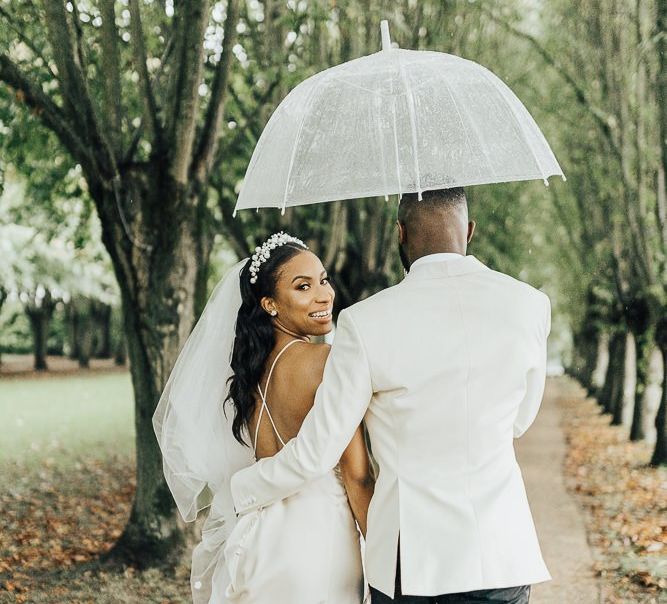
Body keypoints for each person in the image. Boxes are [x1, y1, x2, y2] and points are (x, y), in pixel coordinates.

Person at [231, 188, 552, 604]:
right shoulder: (529, 305)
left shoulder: (365, 322)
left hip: (411, 560)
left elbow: (316, 452)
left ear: (399, 233)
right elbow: (519, 421)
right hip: (499, 551)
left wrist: (240, 490)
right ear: (469, 231)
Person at [153, 232, 373, 604]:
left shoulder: (248, 373)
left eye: (324, 280)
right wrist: (386, 561)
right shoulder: (326, 364)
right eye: (303, 287)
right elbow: (356, 474)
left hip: (258, 540)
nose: (324, 295)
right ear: (270, 303)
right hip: (321, 545)